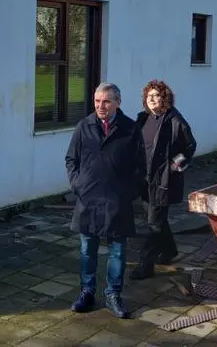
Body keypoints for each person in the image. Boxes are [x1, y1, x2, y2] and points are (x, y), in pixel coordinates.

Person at [65, 82, 145, 319]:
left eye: (106, 101)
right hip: (88, 199)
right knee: (87, 250)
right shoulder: (84, 126)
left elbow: (141, 168)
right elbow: (71, 159)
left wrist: (128, 192)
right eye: (97, 101)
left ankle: (113, 294)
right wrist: (78, 185)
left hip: (117, 200)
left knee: (118, 252)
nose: (101, 106)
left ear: (118, 103)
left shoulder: (130, 129)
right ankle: (87, 292)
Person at [130, 79, 197, 280]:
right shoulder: (142, 118)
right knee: (156, 219)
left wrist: (175, 166)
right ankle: (169, 250)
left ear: (164, 98)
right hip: (144, 179)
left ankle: (146, 264)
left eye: (156, 95)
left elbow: (190, 146)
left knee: (154, 224)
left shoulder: (175, 120)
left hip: (163, 181)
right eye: (148, 95)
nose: (151, 99)